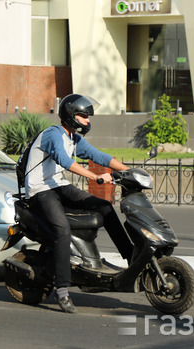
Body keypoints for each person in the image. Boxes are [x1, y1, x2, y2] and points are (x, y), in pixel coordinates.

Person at [23, 94, 134, 314]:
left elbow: (98, 156)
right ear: (71, 116)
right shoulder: (53, 134)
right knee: (62, 229)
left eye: (88, 117)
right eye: (83, 116)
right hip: (40, 190)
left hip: (58, 185)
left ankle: (132, 259)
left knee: (105, 207)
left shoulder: (74, 138)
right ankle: (62, 289)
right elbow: (64, 160)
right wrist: (95, 177)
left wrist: (129, 171)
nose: (88, 121)